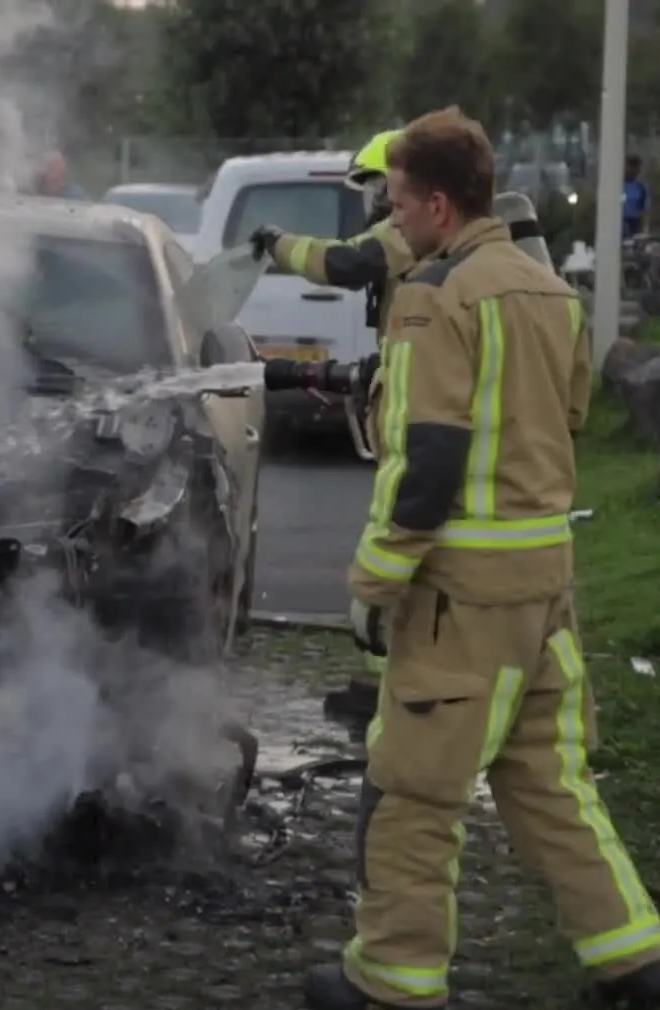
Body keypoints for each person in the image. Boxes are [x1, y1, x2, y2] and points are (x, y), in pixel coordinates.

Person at [303, 106, 660, 1010]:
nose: (388, 220)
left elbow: (425, 463)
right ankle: (632, 955)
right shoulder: (551, 291)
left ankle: (396, 983)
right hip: (544, 585)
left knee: (415, 792)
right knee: (551, 781)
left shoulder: (436, 295)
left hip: (458, 598)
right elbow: (572, 417)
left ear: (435, 203)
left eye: (394, 202)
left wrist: (375, 582)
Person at [245, 129, 416, 736]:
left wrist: (278, 245)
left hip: (420, 424)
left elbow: (345, 263)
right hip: (403, 404)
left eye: (376, 188)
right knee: (393, 550)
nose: (372, 203)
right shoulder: (413, 243)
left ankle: (395, 691)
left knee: (395, 553)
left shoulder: (405, 233)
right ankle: (384, 683)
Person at [621, 153, 649, 239]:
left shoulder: (640, 186)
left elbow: (644, 208)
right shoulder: (619, 185)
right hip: (621, 220)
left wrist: (645, 228)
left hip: (635, 222)